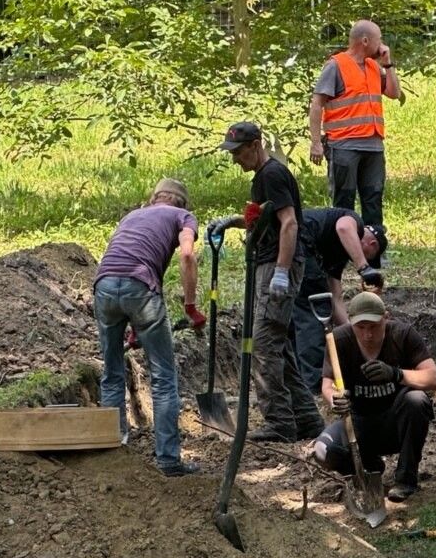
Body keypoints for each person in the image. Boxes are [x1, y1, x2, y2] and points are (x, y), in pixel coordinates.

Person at [217, 121, 322, 443]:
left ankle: (278, 422)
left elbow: (289, 223)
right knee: (278, 345)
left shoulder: (273, 175)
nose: (235, 159)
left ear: (255, 145)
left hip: (278, 266)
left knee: (263, 345)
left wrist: (281, 270)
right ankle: (306, 419)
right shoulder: (263, 178)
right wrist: (234, 222)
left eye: (238, 152)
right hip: (269, 263)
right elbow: (267, 218)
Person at [92, 178, 205, 476]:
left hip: (104, 286)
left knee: (112, 373)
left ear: (154, 198)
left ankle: (113, 449)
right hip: (140, 287)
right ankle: (169, 461)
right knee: (164, 377)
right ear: (182, 203)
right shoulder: (182, 217)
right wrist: (191, 306)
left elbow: (125, 261)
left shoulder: (131, 216)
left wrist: (134, 321)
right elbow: (187, 255)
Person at [313, 291, 436, 502]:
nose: (367, 335)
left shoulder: (402, 335)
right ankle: (370, 468)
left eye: (373, 326)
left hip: (396, 422)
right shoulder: (339, 340)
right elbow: (327, 385)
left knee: (417, 401)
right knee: (322, 451)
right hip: (358, 424)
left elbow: (434, 379)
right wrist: (334, 398)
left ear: (386, 317)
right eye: (360, 328)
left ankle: (406, 479)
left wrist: (396, 374)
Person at [309, 19, 402, 227]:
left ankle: (374, 250)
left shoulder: (374, 67)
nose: (382, 45)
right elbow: (316, 105)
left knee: (374, 200)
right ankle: (342, 252)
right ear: (366, 41)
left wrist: (388, 64)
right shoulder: (336, 65)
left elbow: (395, 93)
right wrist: (315, 142)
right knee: (344, 203)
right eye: (379, 40)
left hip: (374, 146)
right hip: (344, 146)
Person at [292, 207, 388, 393]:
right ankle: (314, 387)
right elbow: (343, 228)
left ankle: (296, 383)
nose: (354, 260)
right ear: (372, 244)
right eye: (368, 256)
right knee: (312, 315)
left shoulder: (336, 258)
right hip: (298, 242)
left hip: (293, 251)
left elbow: (334, 299)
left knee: (297, 315)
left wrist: (353, 329)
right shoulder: (353, 221)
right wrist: (364, 267)